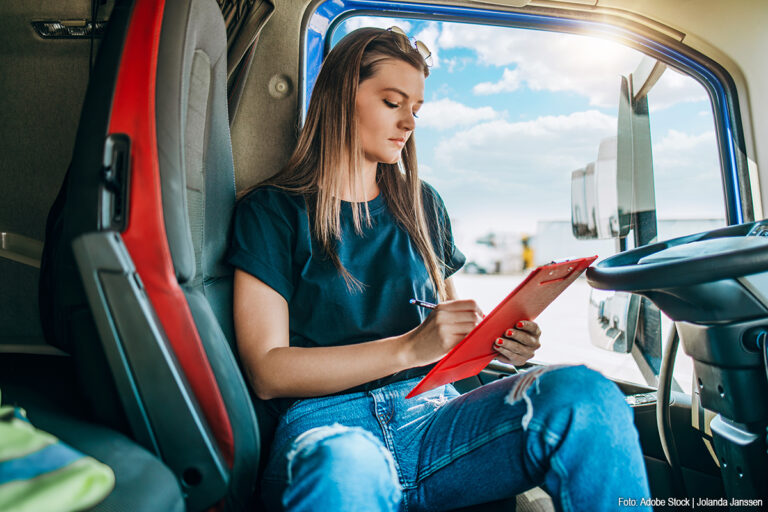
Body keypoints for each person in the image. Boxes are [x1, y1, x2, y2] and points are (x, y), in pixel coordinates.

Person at [229, 26, 651, 512]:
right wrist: (409, 347)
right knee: (347, 466)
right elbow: (267, 371)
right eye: (392, 102)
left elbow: (449, 334)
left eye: (417, 109)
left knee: (584, 393)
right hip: (328, 426)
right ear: (342, 97)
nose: (409, 121)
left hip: (433, 416)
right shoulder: (271, 212)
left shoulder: (423, 205)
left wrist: (497, 341)